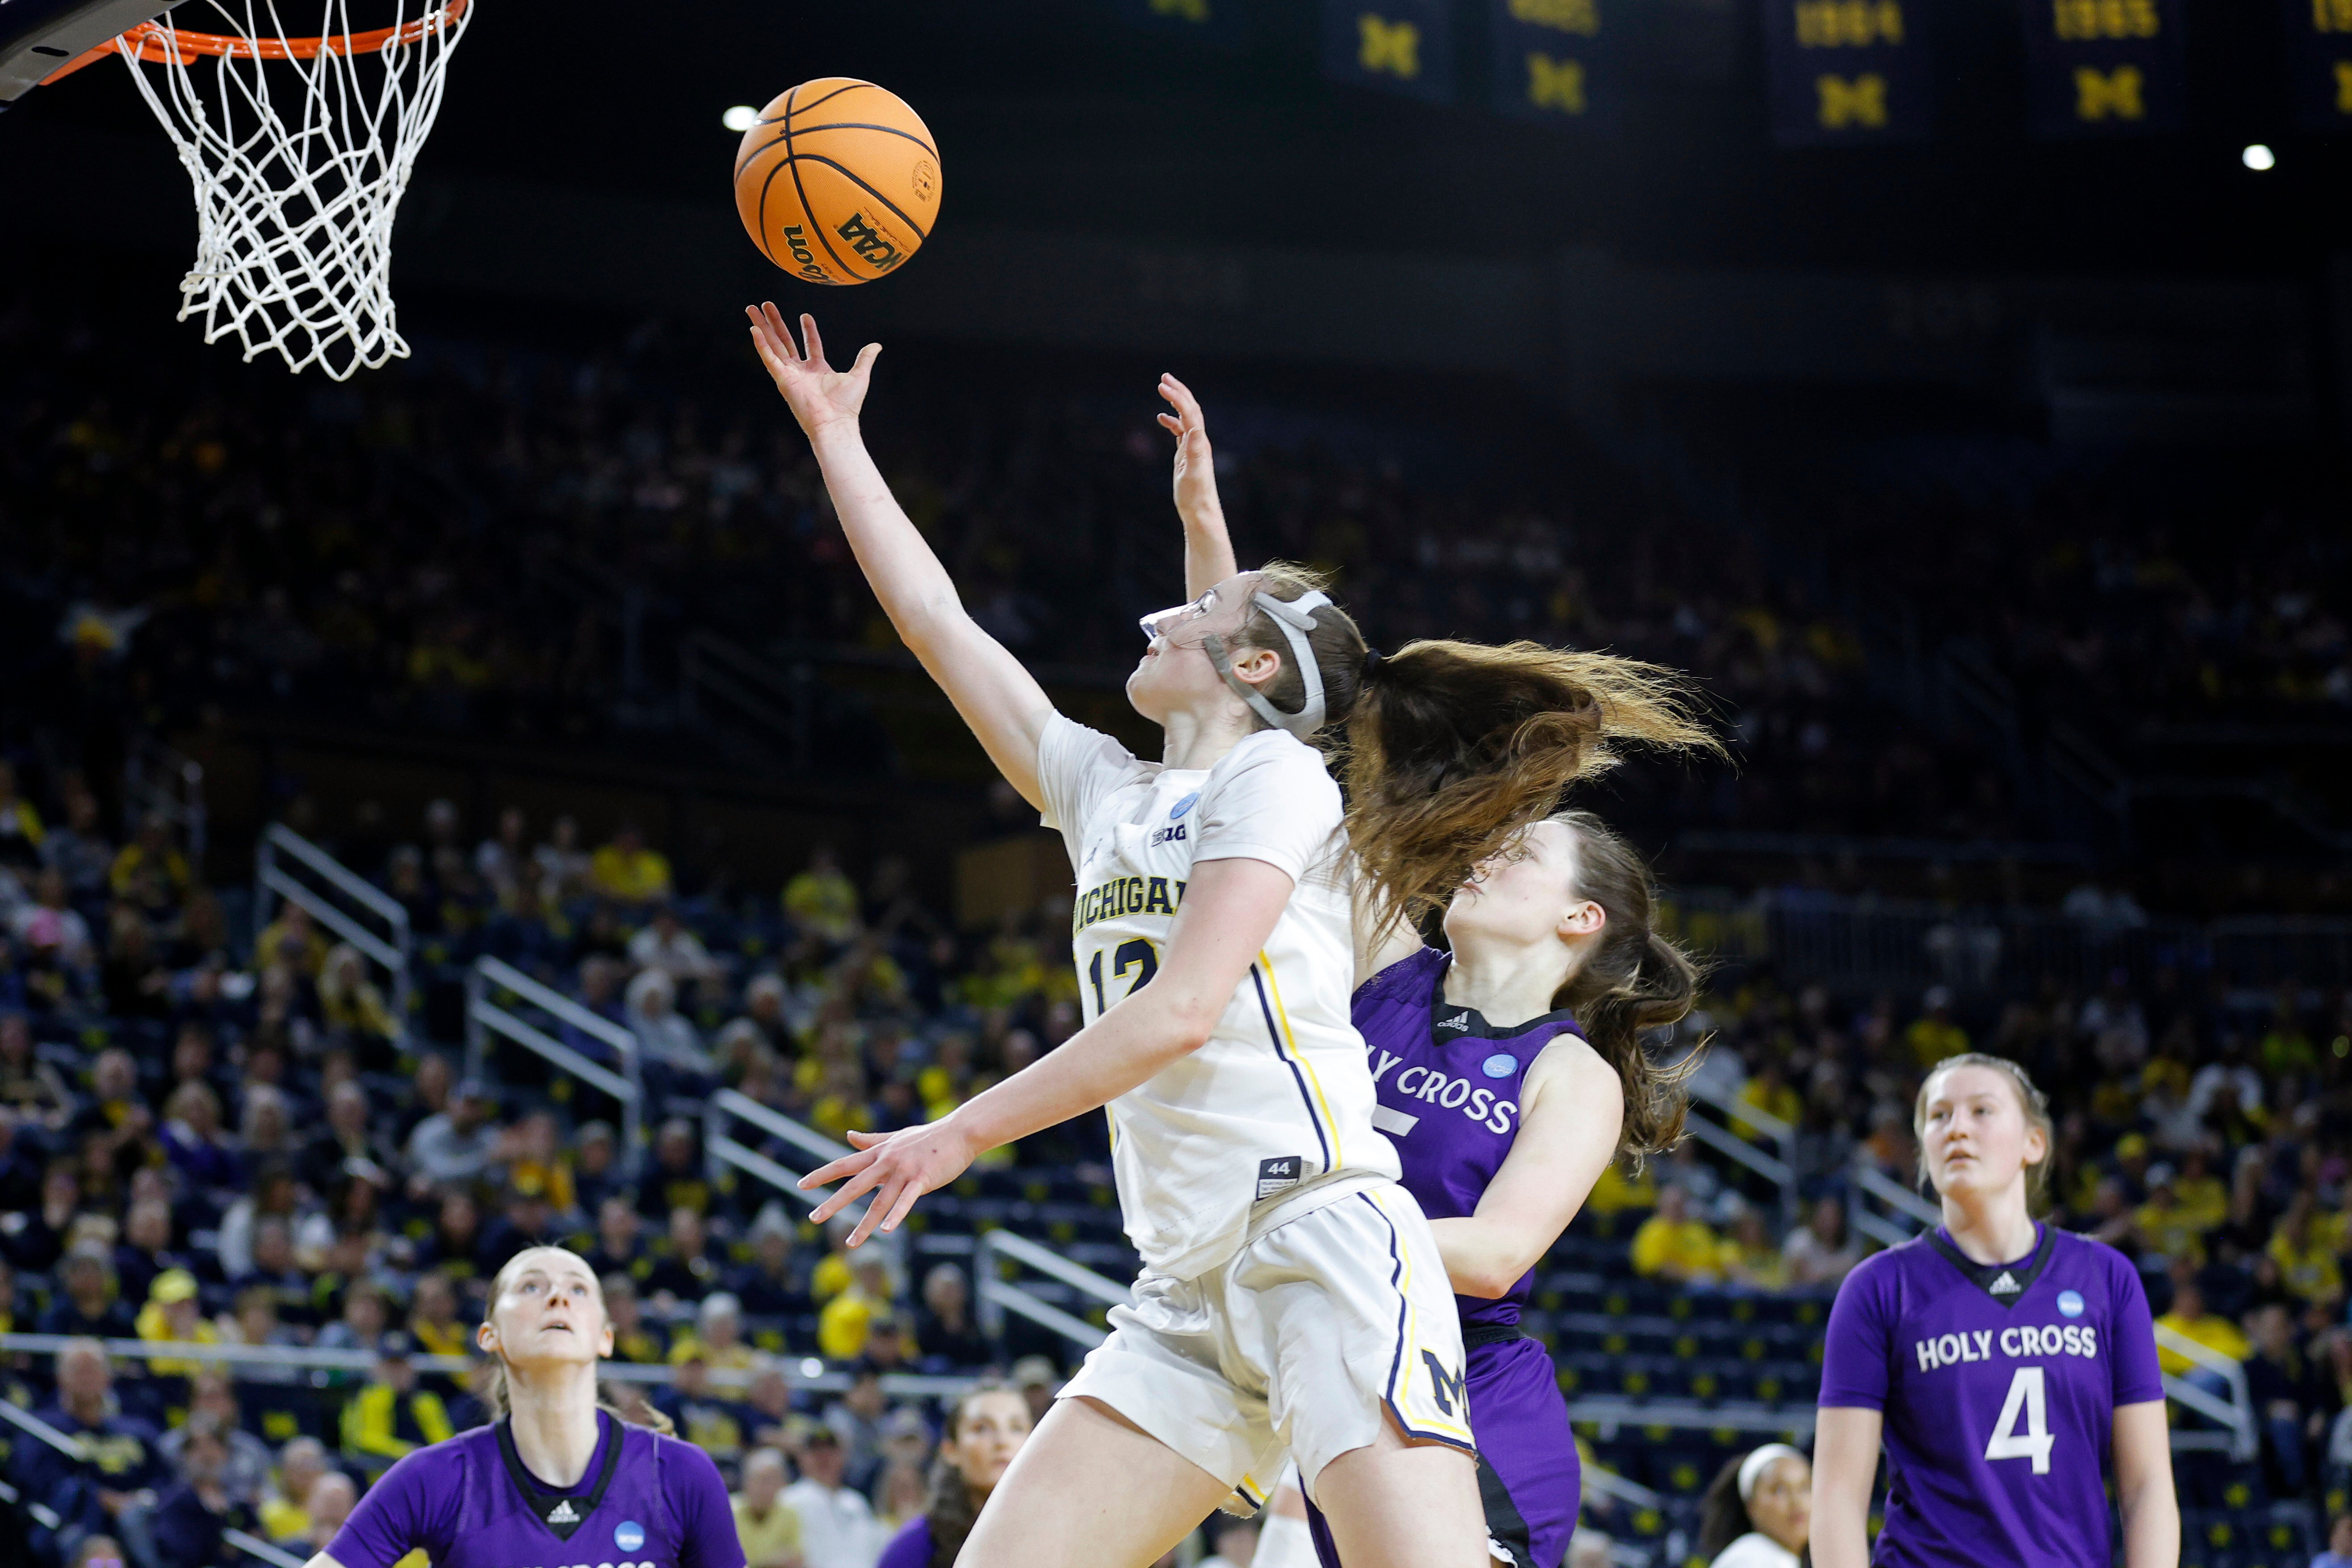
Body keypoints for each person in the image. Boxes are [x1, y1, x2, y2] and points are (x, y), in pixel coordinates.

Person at [756, 309, 1673, 1568]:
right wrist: (835, 438)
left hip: (1322, 1247)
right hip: (1184, 1287)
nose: (1150, 620)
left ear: (1248, 664)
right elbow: (934, 619)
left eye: (1186, 611)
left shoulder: (1282, 789)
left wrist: (958, 1130)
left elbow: (1185, 1006)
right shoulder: (1103, 789)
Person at [1812, 1054, 2178, 1568]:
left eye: (1982, 1110)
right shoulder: (1877, 1288)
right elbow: (1837, 1498)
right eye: (1939, 1116)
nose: (1957, 1128)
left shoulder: (2107, 1278)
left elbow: (2147, 1486)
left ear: (2034, 1142)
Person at [303, 1246, 743, 1568]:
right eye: (532, 1286)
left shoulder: (679, 1472)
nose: (558, 1297)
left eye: (578, 1289)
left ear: (606, 1336)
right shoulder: (435, 1477)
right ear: (489, 1335)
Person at [875, 1383, 1032, 1568]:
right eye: (982, 1428)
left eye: (1017, 1428)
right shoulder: (914, 1546)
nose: (1002, 1442)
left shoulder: (1055, 1532)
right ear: (951, 1451)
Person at [783, 1426, 886, 1568]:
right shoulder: (789, 1499)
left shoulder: (856, 1501)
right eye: (816, 1452)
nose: (824, 1458)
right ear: (802, 1458)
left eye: (831, 1452)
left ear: (843, 1456)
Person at [1694, 1445, 1810, 1568]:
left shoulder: (1777, 1557)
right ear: (1751, 1507)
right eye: (1779, 1490)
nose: (1797, 1501)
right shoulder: (1753, 1560)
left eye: (1805, 1488)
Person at [733, 1447, 805, 1568]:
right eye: (760, 1481)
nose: (765, 1489)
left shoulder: (789, 1514)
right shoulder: (729, 1512)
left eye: (772, 1482)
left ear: (782, 1485)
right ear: (746, 1483)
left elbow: (796, 1560)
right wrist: (771, 1562)